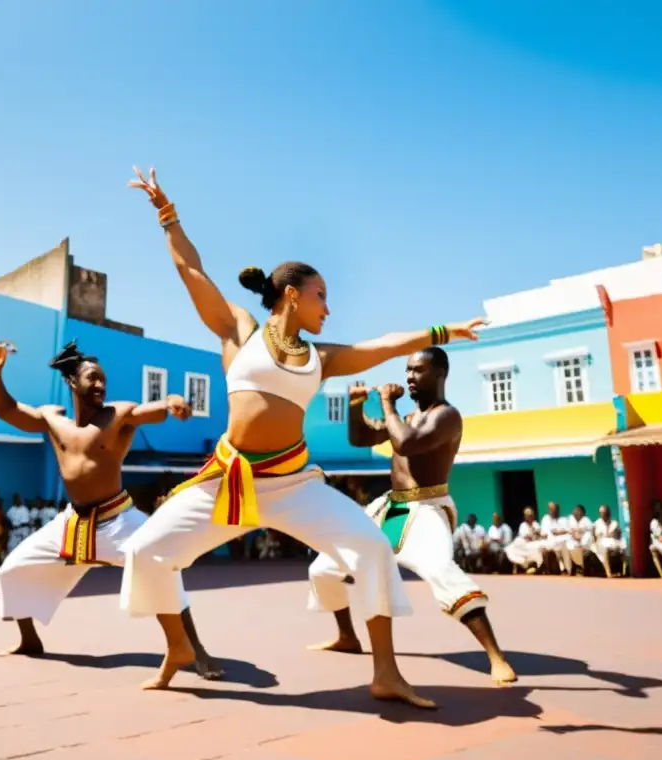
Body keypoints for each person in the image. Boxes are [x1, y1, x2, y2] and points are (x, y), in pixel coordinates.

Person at [120, 167, 484, 707]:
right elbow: (191, 270)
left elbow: (383, 345)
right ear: (292, 295)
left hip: (293, 483)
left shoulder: (322, 357)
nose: (327, 307)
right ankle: (178, 647)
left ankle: (386, 672)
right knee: (146, 550)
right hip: (230, 478)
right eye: (321, 296)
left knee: (369, 547)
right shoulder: (239, 332)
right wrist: (166, 216)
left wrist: (444, 332)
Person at [0, 339, 222, 679]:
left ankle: (195, 651)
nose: (100, 385)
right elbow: (7, 411)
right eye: (92, 378)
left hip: (118, 519)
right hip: (73, 522)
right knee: (13, 570)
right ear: (72, 382)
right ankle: (29, 640)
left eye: (103, 380)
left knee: (161, 569)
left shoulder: (117, 415)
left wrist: (172, 401)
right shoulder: (52, 419)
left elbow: (151, 410)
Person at [308, 360, 516, 685]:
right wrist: (355, 404)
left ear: (439, 374)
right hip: (389, 508)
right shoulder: (405, 419)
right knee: (324, 568)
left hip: (428, 507)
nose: (409, 376)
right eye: (407, 370)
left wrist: (387, 403)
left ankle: (496, 656)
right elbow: (360, 438)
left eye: (418, 370)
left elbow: (407, 443)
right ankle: (347, 637)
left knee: (440, 570)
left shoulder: (447, 416)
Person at [591, 504, 625, 578]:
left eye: (605, 512)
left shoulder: (614, 523)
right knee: (602, 549)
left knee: (620, 548)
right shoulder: (596, 523)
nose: (603, 514)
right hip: (600, 544)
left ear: (609, 513)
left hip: (613, 543)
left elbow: (617, 535)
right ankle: (608, 572)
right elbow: (594, 536)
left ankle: (623, 571)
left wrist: (611, 535)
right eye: (602, 512)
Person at [504, 508, 543, 572]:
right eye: (527, 516)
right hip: (524, 544)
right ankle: (518, 567)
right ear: (525, 517)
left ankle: (538, 567)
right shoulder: (522, 525)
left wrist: (536, 533)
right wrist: (531, 535)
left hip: (534, 544)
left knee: (537, 548)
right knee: (512, 548)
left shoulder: (536, 524)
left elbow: (539, 534)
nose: (529, 517)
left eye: (531, 516)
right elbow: (524, 536)